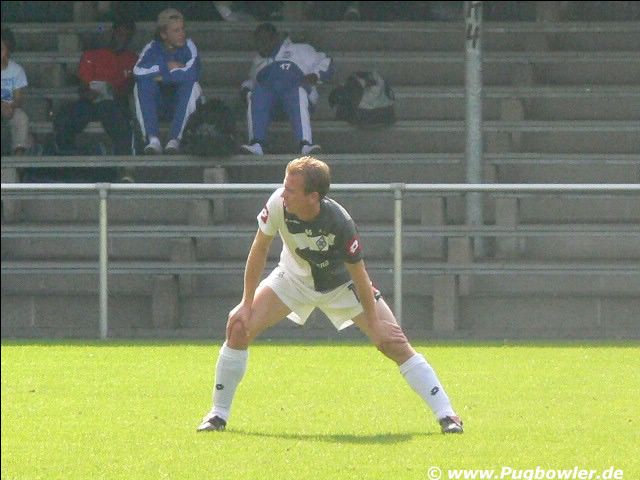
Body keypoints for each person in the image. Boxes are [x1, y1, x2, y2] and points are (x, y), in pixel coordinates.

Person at [197, 156, 464, 434]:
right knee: (238, 327)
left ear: (313, 196)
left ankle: (447, 415)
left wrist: (375, 323)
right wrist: (245, 302)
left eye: (291, 190)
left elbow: (360, 275)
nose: (283, 194)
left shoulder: (340, 223)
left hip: (341, 286)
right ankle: (217, 415)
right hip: (293, 279)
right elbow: (260, 248)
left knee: (392, 342)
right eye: (284, 186)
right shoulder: (277, 203)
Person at [240, 23, 333, 156]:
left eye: (266, 39)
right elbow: (252, 82)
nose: (262, 44)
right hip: (273, 106)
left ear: (275, 38)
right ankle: (257, 144)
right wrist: (245, 88)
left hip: (297, 98)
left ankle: (305, 144)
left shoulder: (300, 49)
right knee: (257, 92)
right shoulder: (258, 62)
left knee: (297, 91)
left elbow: (327, 62)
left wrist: (316, 75)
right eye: (259, 41)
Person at [53, 18, 137, 158]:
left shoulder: (132, 59)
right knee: (69, 115)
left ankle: (122, 158)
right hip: (90, 102)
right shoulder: (92, 55)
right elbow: (83, 86)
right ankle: (65, 149)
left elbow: (130, 87)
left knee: (114, 113)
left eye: (127, 36)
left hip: (114, 104)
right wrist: (89, 93)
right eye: (120, 34)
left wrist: (117, 92)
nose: (123, 39)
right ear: (113, 32)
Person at [133, 8, 202, 155]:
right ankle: (153, 139)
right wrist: (168, 66)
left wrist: (163, 76)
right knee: (142, 84)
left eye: (183, 29)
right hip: (158, 106)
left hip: (180, 105)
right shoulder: (152, 47)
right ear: (164, 34)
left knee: (192, 85)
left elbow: (192, 74)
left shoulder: (189, 46)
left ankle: (175, 139)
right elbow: (138, 71)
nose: (182, 33)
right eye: (176, 30)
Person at [1, 27, 32, 155]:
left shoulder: (17, 70)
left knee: (22, 118)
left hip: (10, 108)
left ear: (8, 50)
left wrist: (11, 106)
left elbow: (18, 98)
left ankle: (19, 156)